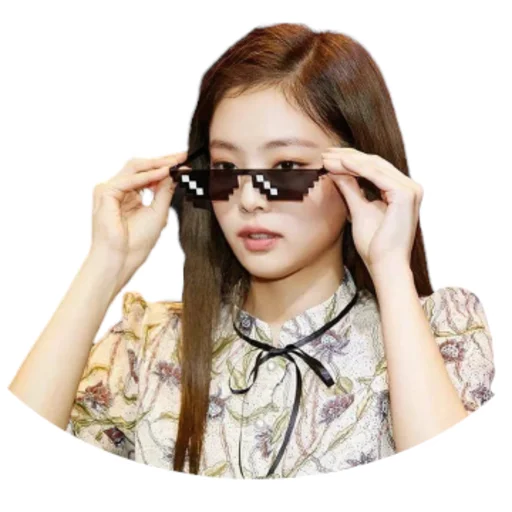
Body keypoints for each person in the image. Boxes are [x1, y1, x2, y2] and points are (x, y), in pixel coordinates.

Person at [10, 23, 495, 480]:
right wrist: (105, 267)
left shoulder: (439, 334)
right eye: (225, 168)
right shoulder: (145, 346)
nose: (248, 199)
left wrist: (390, 268)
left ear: (358, 172)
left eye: (285, 167)